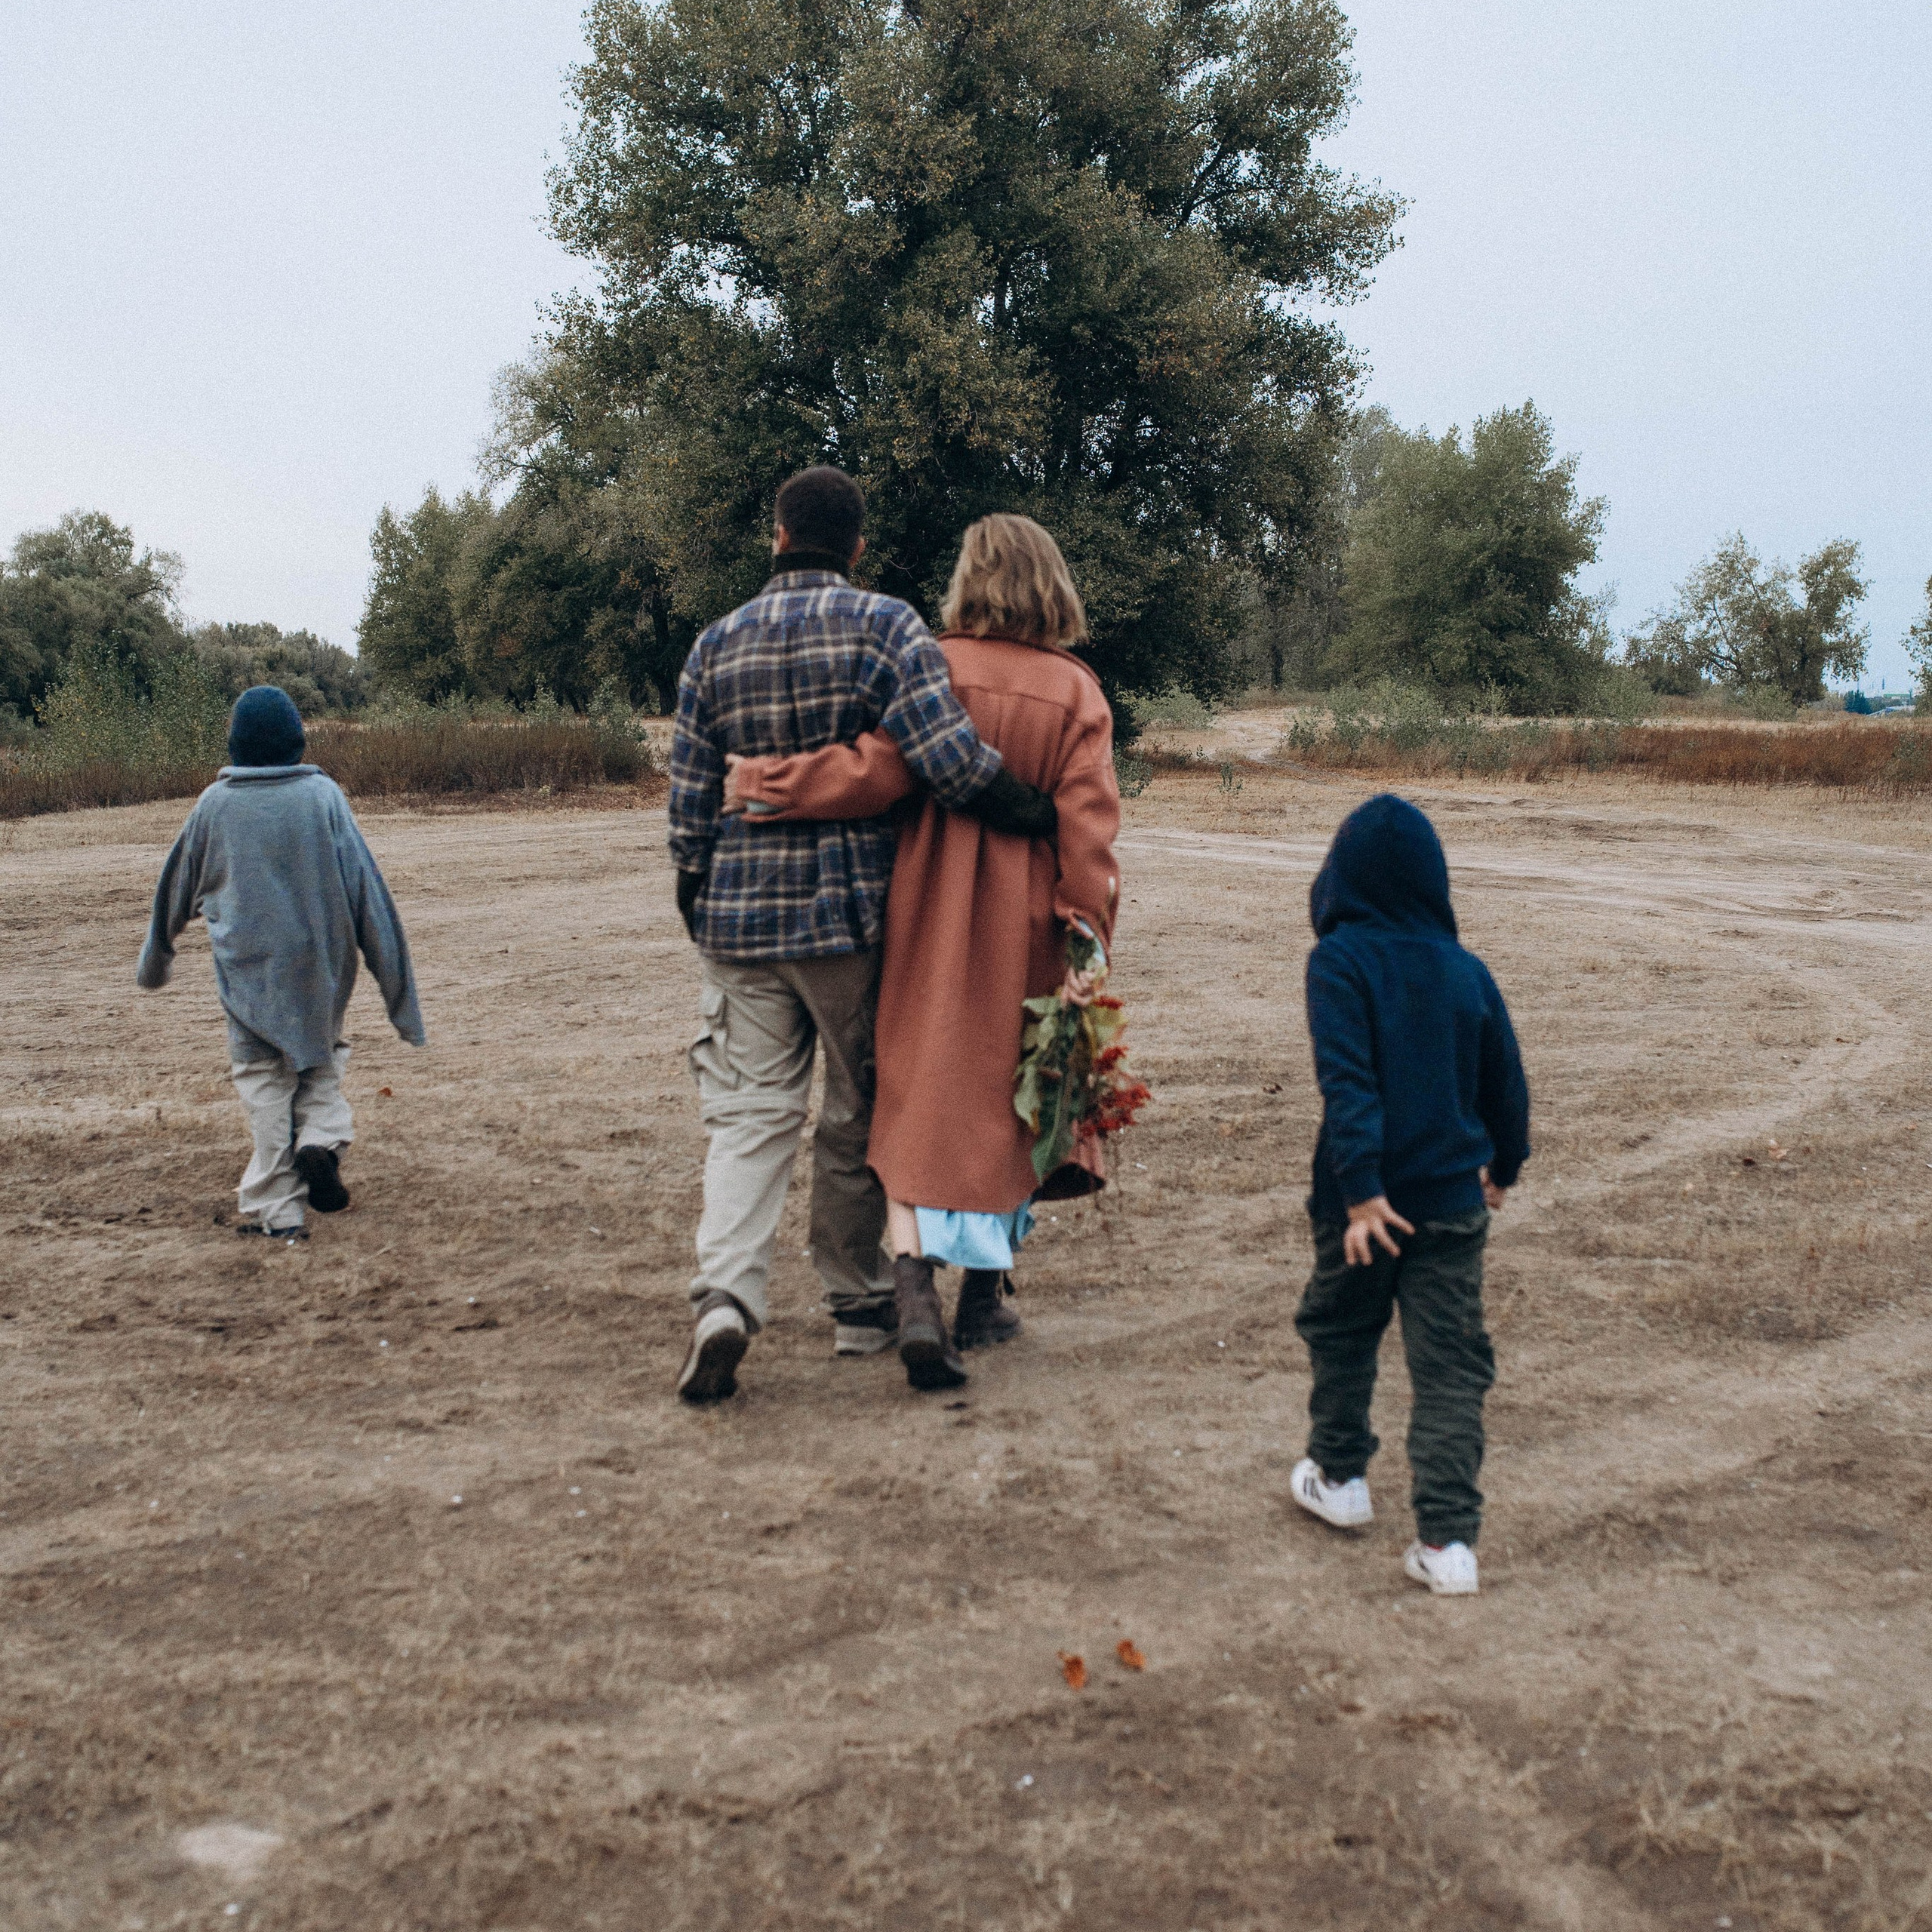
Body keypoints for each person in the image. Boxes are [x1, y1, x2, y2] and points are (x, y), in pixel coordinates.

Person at [667, 468, 1058, 1402]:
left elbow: (687, 807)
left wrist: (700, 898)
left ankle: (725, 1295)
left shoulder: (712, 646)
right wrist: (1039, 812)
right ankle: (858, 1306)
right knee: (856, 1112)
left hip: (739, 920)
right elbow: (948, 761)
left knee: (748, 1118)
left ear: (776, 534)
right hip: (847, 920)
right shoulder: (888, 626)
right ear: (856, 546)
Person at [1287, 794, 1530, 1596]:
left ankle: (1339, 1477)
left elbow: (1347, 1082)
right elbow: (1506, 1082)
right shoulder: (1468, 970)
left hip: (1362, 1206)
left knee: (1343, 1331)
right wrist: (1505, 1164)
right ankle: (1448, 1542)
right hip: (1453, 1202)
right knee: (1450, 1363)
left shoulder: (1339, 962)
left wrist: (1360, 1193)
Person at [135, 685, 424, 1241]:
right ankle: (320, 1140)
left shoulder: (214, 807)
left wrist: (156, 959)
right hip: (320, 972)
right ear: (297, 743)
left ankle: (280, 1213)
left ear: (235, 745)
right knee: (318, 1064)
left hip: (249, 976)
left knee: (264, 1080)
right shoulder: (323, 799)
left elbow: (174, 885)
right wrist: (400, 1000)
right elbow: (369, 896)